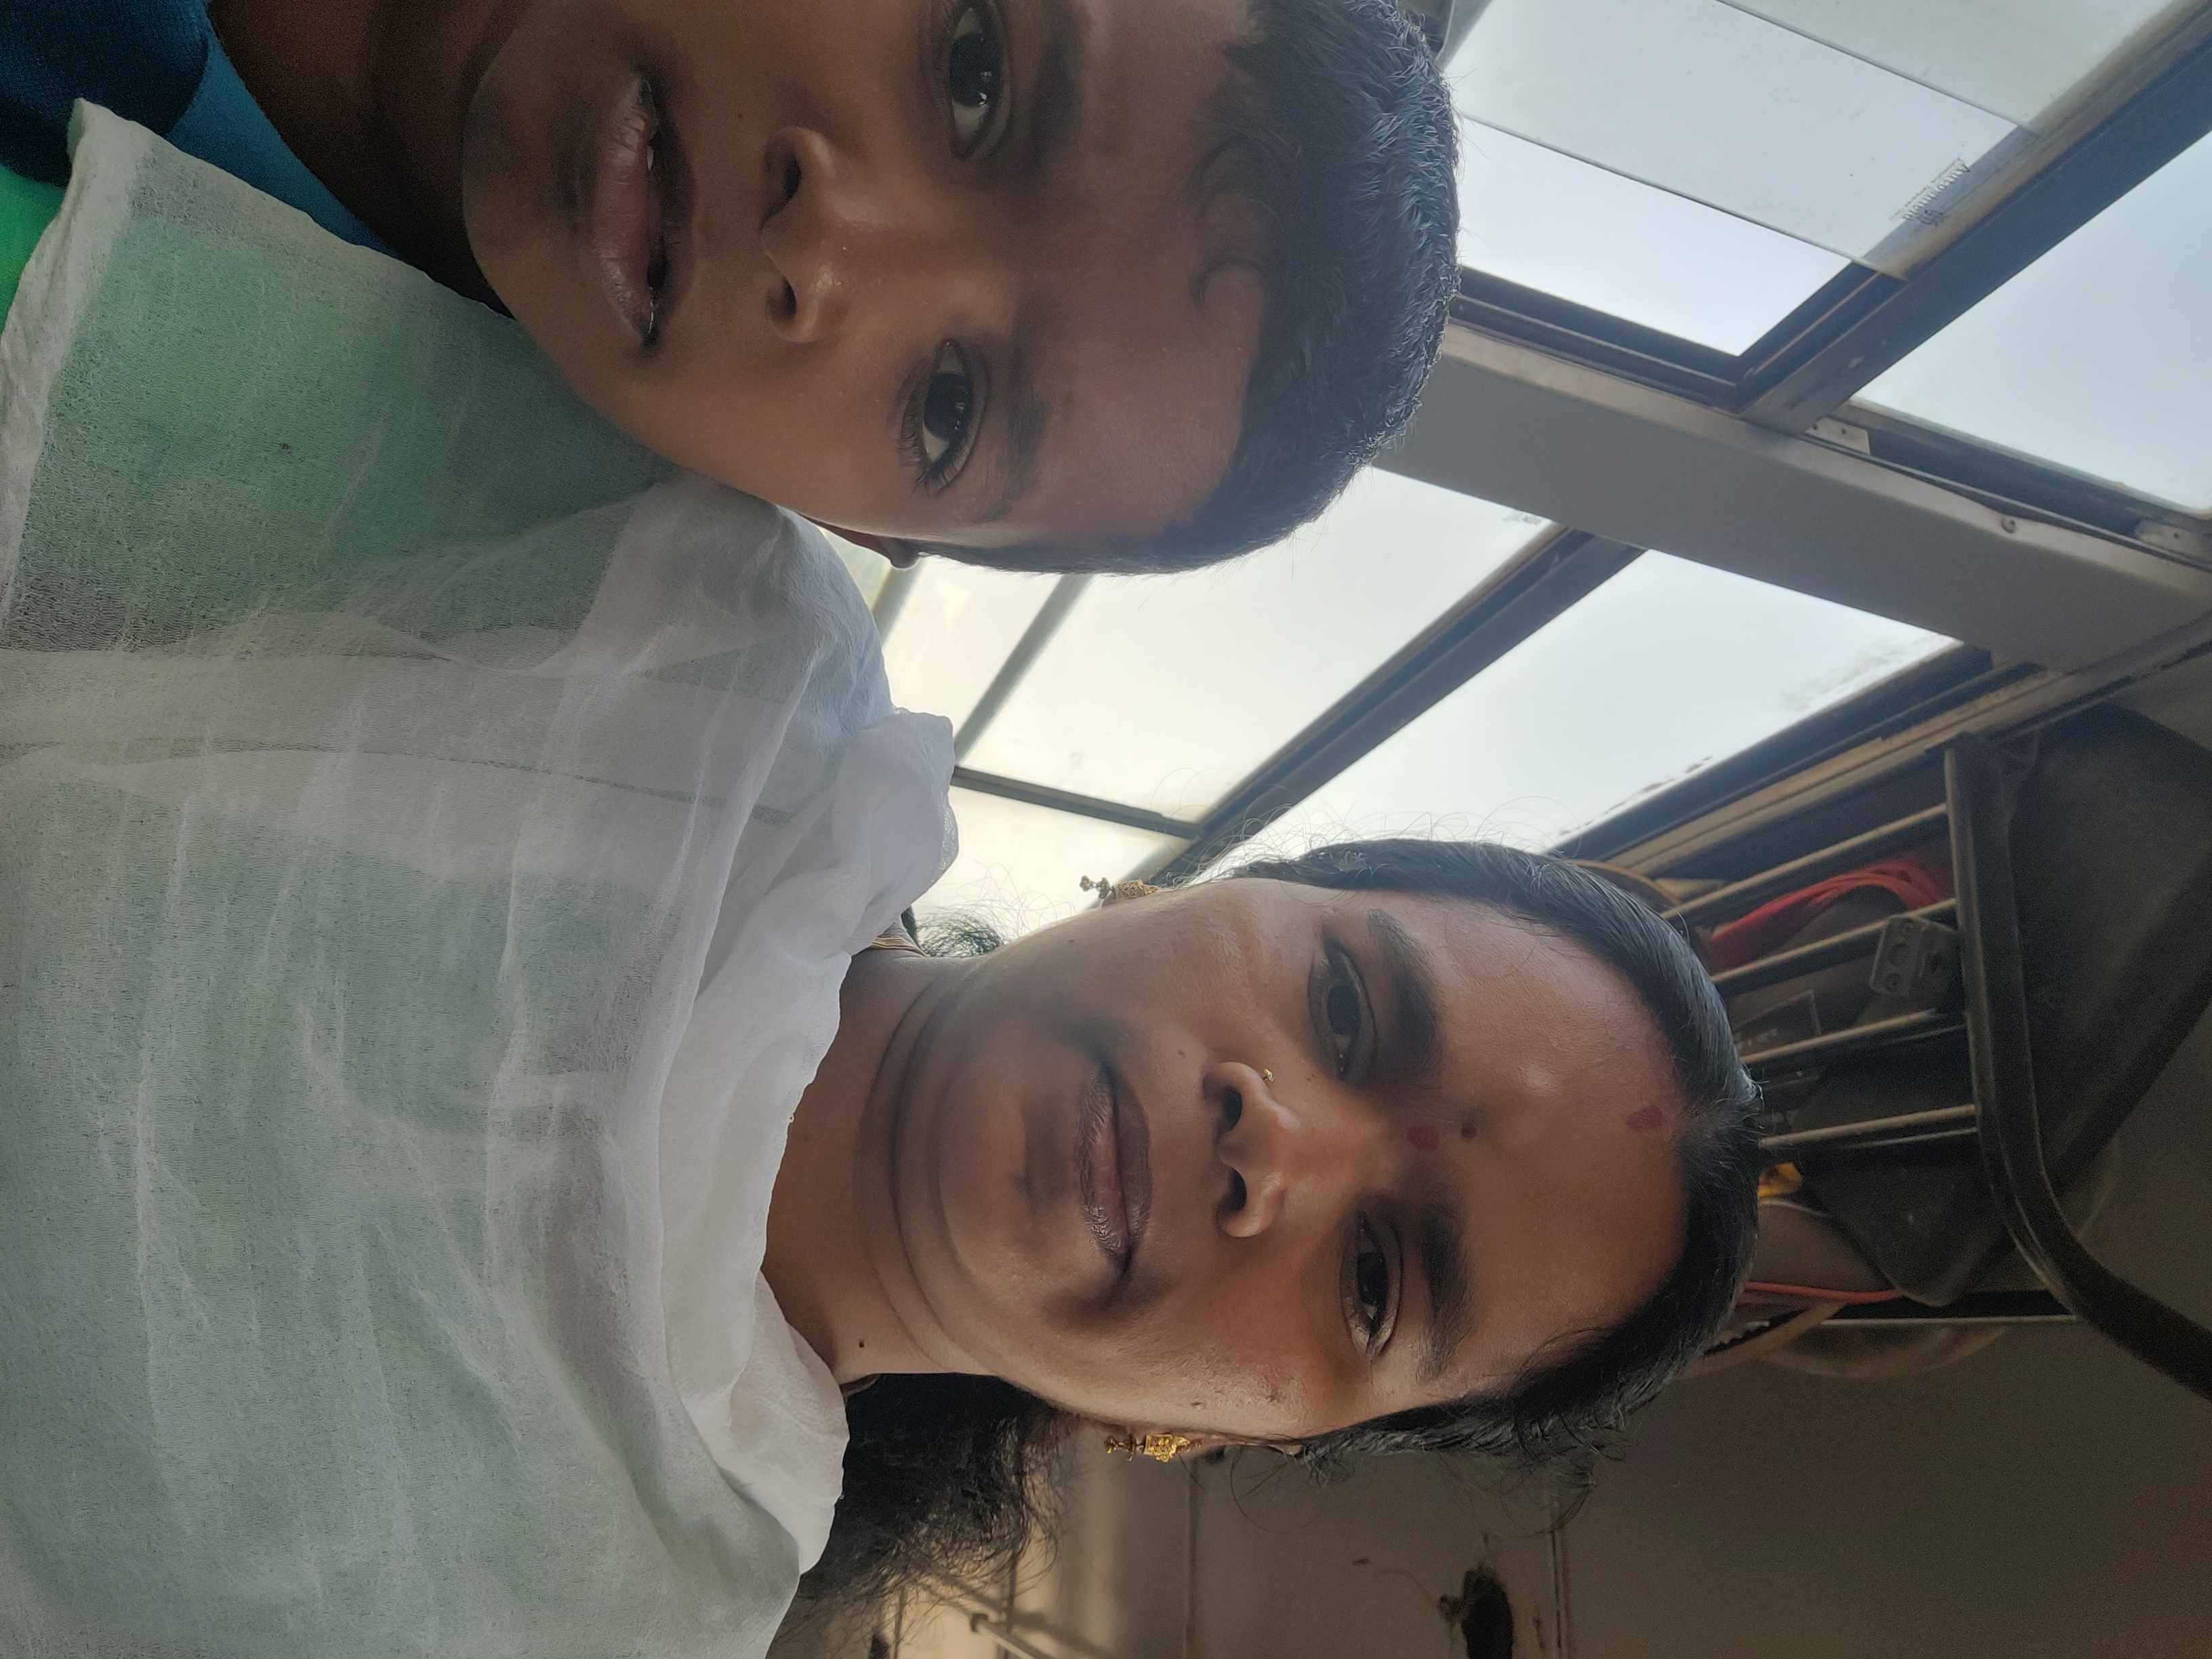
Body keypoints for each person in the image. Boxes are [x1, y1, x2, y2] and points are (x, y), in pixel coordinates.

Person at [0, 0, 1462, 573]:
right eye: (972, 75)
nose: (824, 252)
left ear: (848, 526)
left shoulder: (179, 534)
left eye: (947, 410)